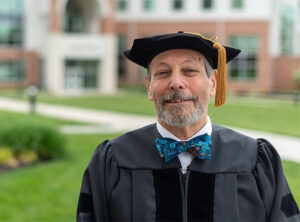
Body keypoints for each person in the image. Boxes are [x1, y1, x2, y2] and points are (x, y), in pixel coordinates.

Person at [76, 31, 300, 221]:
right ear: (149, 87)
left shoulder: (255, 161)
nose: (176, 82)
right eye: (163, 73)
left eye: (189, 71)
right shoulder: (113, 161)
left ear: (212, 83)